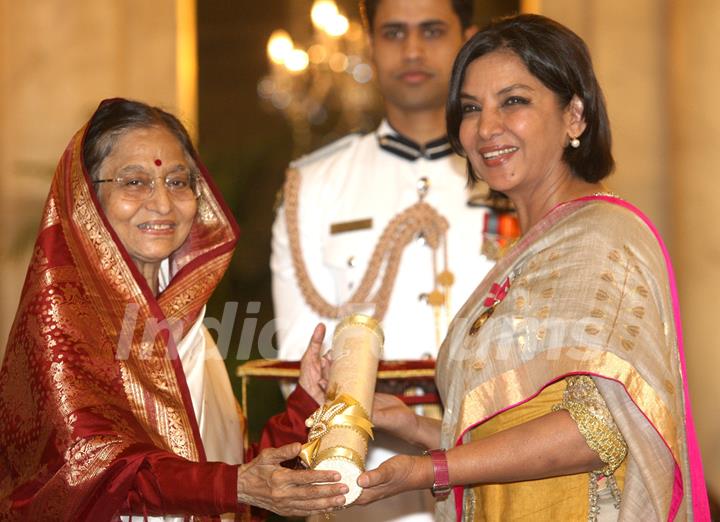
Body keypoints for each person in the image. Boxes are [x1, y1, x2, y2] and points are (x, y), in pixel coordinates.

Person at [354, 14, 711, 521]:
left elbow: (600, 428)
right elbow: (509, 439)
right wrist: (414, 428)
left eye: (514, 101)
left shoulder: (604, 238)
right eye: (471, 108)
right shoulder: (528, 252)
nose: (486, 127)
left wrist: (430, 469)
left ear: (575, 116)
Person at [0, 98, 349, 521]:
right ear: (87, 197)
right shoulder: (63, 328)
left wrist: (306, 404)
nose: (163, 204)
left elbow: (222, 477)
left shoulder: (188, 326)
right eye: (134, 182)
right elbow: (100, 479)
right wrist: (234, 484)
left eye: (178, 181)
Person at [271, 2, 495, 519]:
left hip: (490, 472)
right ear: (369, 42)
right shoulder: (315, 185)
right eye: (394, 32)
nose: (412, 50)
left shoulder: (509, 175)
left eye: (432, 31)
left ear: (469, 38)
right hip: (360, 480)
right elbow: (301, 361)